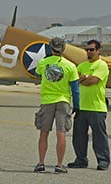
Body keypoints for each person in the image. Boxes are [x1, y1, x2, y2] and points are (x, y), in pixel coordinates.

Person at [33, 37, 79, 173]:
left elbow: (37, 74)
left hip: (47, 101)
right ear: (63, 48)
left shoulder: (43, 63)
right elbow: (75, 89)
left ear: (50, 48)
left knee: (44, 133)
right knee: (61, 132)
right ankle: (59, 165)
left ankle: (41, 163)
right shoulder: (70, 66)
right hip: (63, 101)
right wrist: (77, 105)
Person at [68, 39, 110, 170]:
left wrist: (84, 79)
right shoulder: (81, 66)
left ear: (98, 51)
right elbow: (74, 81)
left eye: (92, 50)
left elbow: (93, 80)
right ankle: (81, 159)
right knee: (78, 137)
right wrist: (84, 77)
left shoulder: (102, 65)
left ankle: (103, 160)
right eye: (87, 49)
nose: (89, 52)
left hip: (96, 107)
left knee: (99, 137)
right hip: (81, 106)